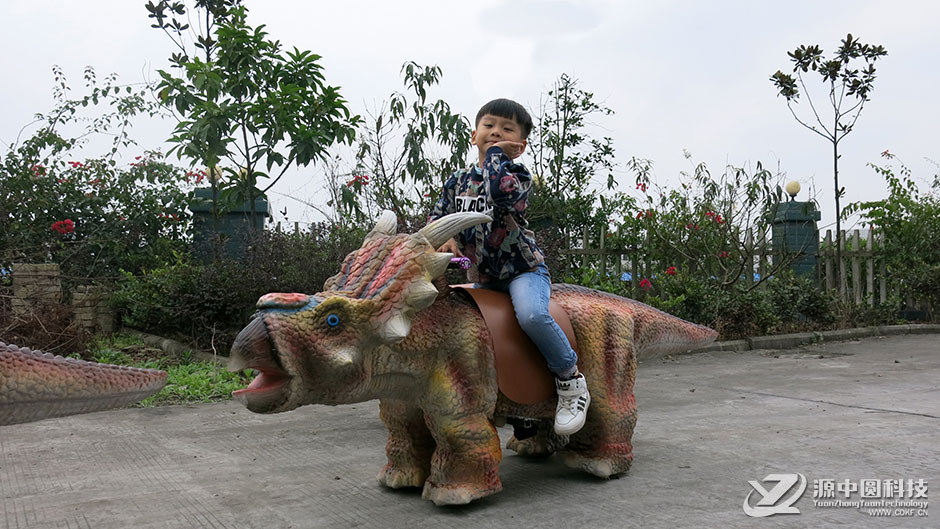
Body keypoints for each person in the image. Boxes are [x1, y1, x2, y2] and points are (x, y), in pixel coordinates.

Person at [428, 98, 589, 436]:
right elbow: (438, 215)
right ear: (474, 135)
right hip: (482, 278)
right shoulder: (457, 181)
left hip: (523, 272)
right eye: (489, 125)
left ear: (520, 145)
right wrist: (446, 239)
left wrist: (499, 157)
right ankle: (518, 410)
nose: (496, 132)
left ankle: (571, 381)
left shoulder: (517, 176)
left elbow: (501, 196)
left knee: (532, 316)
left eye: (506, 128)